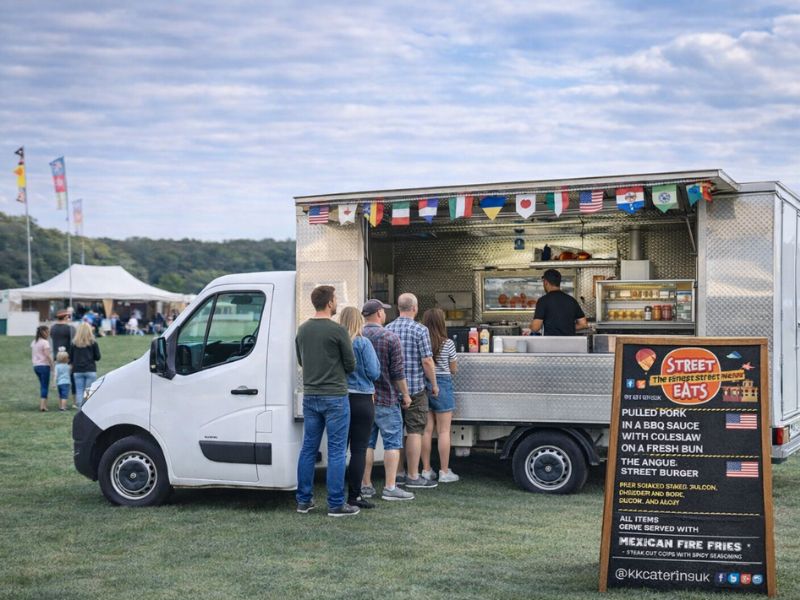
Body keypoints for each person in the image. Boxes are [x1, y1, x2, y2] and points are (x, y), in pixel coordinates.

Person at [295, 285, 359, 517]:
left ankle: (303, 501)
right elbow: (351, 365)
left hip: (311, 396)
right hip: (335, 397)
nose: (337, 302)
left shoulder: (302, 330)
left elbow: (302, 361)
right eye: (335, 299)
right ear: (329, 303)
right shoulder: (338, 331)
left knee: (308, 449)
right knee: (336, 450)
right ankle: (335, 504)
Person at [360, 299, 415, 502]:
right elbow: (397, 373)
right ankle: (390, 487)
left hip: (365, 400)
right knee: (392, 443)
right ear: (379, 314)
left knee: (367, 443)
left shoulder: (357, 336)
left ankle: (365, 485)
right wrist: (406, 395)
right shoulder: (390, 338)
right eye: (383, 311)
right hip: (387, 399)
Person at [385, 293, 439, 489]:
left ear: (399, 308)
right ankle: (413, 475)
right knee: (415, 431)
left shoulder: (388, 329)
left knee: (396, 432)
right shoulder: (420, 330)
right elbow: (427, 361)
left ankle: (397, 473)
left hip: (392, 390)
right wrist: (434, 384)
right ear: (415, 308)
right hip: (415, 389)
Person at [338, 306, 381, 509]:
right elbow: (374, 372)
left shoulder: (336, 343)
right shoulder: (363, 343)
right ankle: (354, 495)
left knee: (339, 450)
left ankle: (336, 494)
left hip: (340, 398)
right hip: (362, 399)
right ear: (359, 322)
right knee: (358, 450)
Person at [420, 308, 460, 483]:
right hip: (442, 383)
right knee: (444, 431)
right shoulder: (448, 343)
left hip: (423, 383)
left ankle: (426, 470)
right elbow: (453, 369)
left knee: (426, 431)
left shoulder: (421, 341)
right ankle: (444, 471)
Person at [528, 268, 589, 336]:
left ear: (546, 282)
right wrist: (566, 328)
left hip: (551, 344)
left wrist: (530, 326)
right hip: (570, 343)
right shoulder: (572, 300)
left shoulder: (543, 301)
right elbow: (583, 324)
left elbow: (535, 328)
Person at [70, 323, 101, 408]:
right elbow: (98, 357)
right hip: (90, 369)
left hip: (77, 370)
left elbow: (71, 357)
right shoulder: (93, 342)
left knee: (79, 390)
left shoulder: (74, 343)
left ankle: (80, 409)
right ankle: (88, 408)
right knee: (88, 391)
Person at [31, 326, 53, 412]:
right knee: (44, 386)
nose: (49, 334)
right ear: (44, 332)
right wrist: (52, 365)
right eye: (47, 332)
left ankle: (44, 404)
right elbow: (47, 355)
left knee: (42, 385)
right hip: (44, 366)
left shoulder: (34, 342)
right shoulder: (45, 342)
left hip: (36, 366)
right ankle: (42, 406)